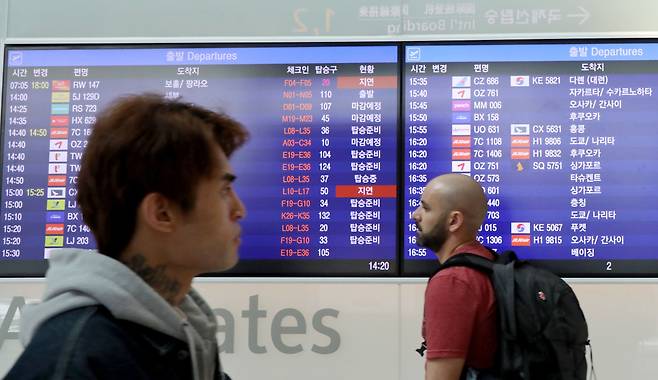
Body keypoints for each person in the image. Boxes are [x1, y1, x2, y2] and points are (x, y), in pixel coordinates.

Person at [6, 94, 248, 380]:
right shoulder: (75, 362)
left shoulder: (177, 336)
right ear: (161, 213)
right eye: (223, 191)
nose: (239, 210)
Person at [411, 174, 498, 380]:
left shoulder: (452, 282)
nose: (416, 215)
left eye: (426, 208)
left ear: (454, 221)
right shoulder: (491, 263)